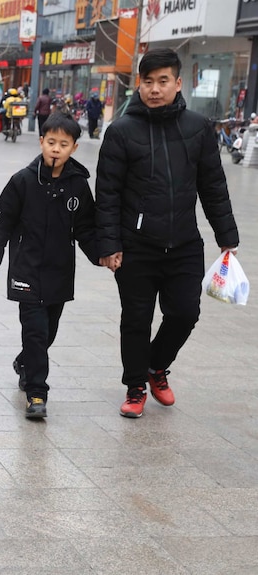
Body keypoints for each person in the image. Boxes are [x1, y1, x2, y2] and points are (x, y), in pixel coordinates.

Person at [96, 48, 239, 418]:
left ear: (178, 83)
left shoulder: (197, 128)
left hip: (184, 244)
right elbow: (107, 192)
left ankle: (156, 366)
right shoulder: (121, 131)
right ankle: (135, 386)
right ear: (139, 85)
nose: (155, 89)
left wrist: (227, 234)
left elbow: (213, 185)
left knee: (185, 312)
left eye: (163, 81)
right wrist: (109, 244)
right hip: (136, 247)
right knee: (137, 318)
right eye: (148, 82)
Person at [0, 113, 99, 418]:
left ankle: (25, 362)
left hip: (59, 273)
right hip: (27, 271)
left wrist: (103, 255)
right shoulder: (22, 181)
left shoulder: (78, 186)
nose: (56, 149)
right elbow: (0, 223)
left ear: (74, 147)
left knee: (48, 333)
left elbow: (87, 228)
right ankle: (36, 394)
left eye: (63, 144)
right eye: (51, 142)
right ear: (41, 142)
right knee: (35, 332)